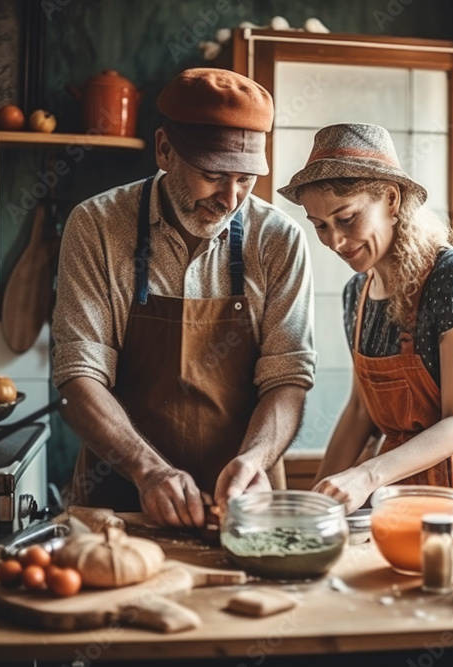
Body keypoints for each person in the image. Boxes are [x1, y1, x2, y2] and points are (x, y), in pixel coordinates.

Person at [53, 68, 316, 527]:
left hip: (242, 506)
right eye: (212, 175)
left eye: (246, 179)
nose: (230, 198)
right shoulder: (95, 226)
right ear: (164, 150)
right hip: (121, 497)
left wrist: (255, 460)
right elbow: (79, 375)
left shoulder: (279, 240)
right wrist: (147, 470)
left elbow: (287, 377)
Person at [278, 123, 453, 514]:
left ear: (392, 200)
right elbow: (360, 413)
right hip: (405, 496)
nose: (336, 242)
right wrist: (312, 507)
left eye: (347, 219)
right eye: (321, 227)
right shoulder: (356, 296)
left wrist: (366, 476)